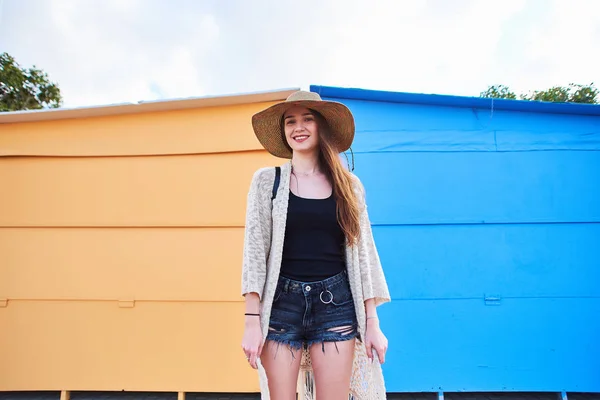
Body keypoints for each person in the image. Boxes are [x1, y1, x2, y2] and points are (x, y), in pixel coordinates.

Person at [241, 90, 391, 400]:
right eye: (290, 121)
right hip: (281, 306)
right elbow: (254, 253)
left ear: (321, 126)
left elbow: (364, 255)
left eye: (307, 119)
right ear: (283, 132)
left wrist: (373, 323)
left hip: (336, 306)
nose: (298, 127)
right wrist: (251, 321)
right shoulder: (267, 182)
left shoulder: (349, 186)